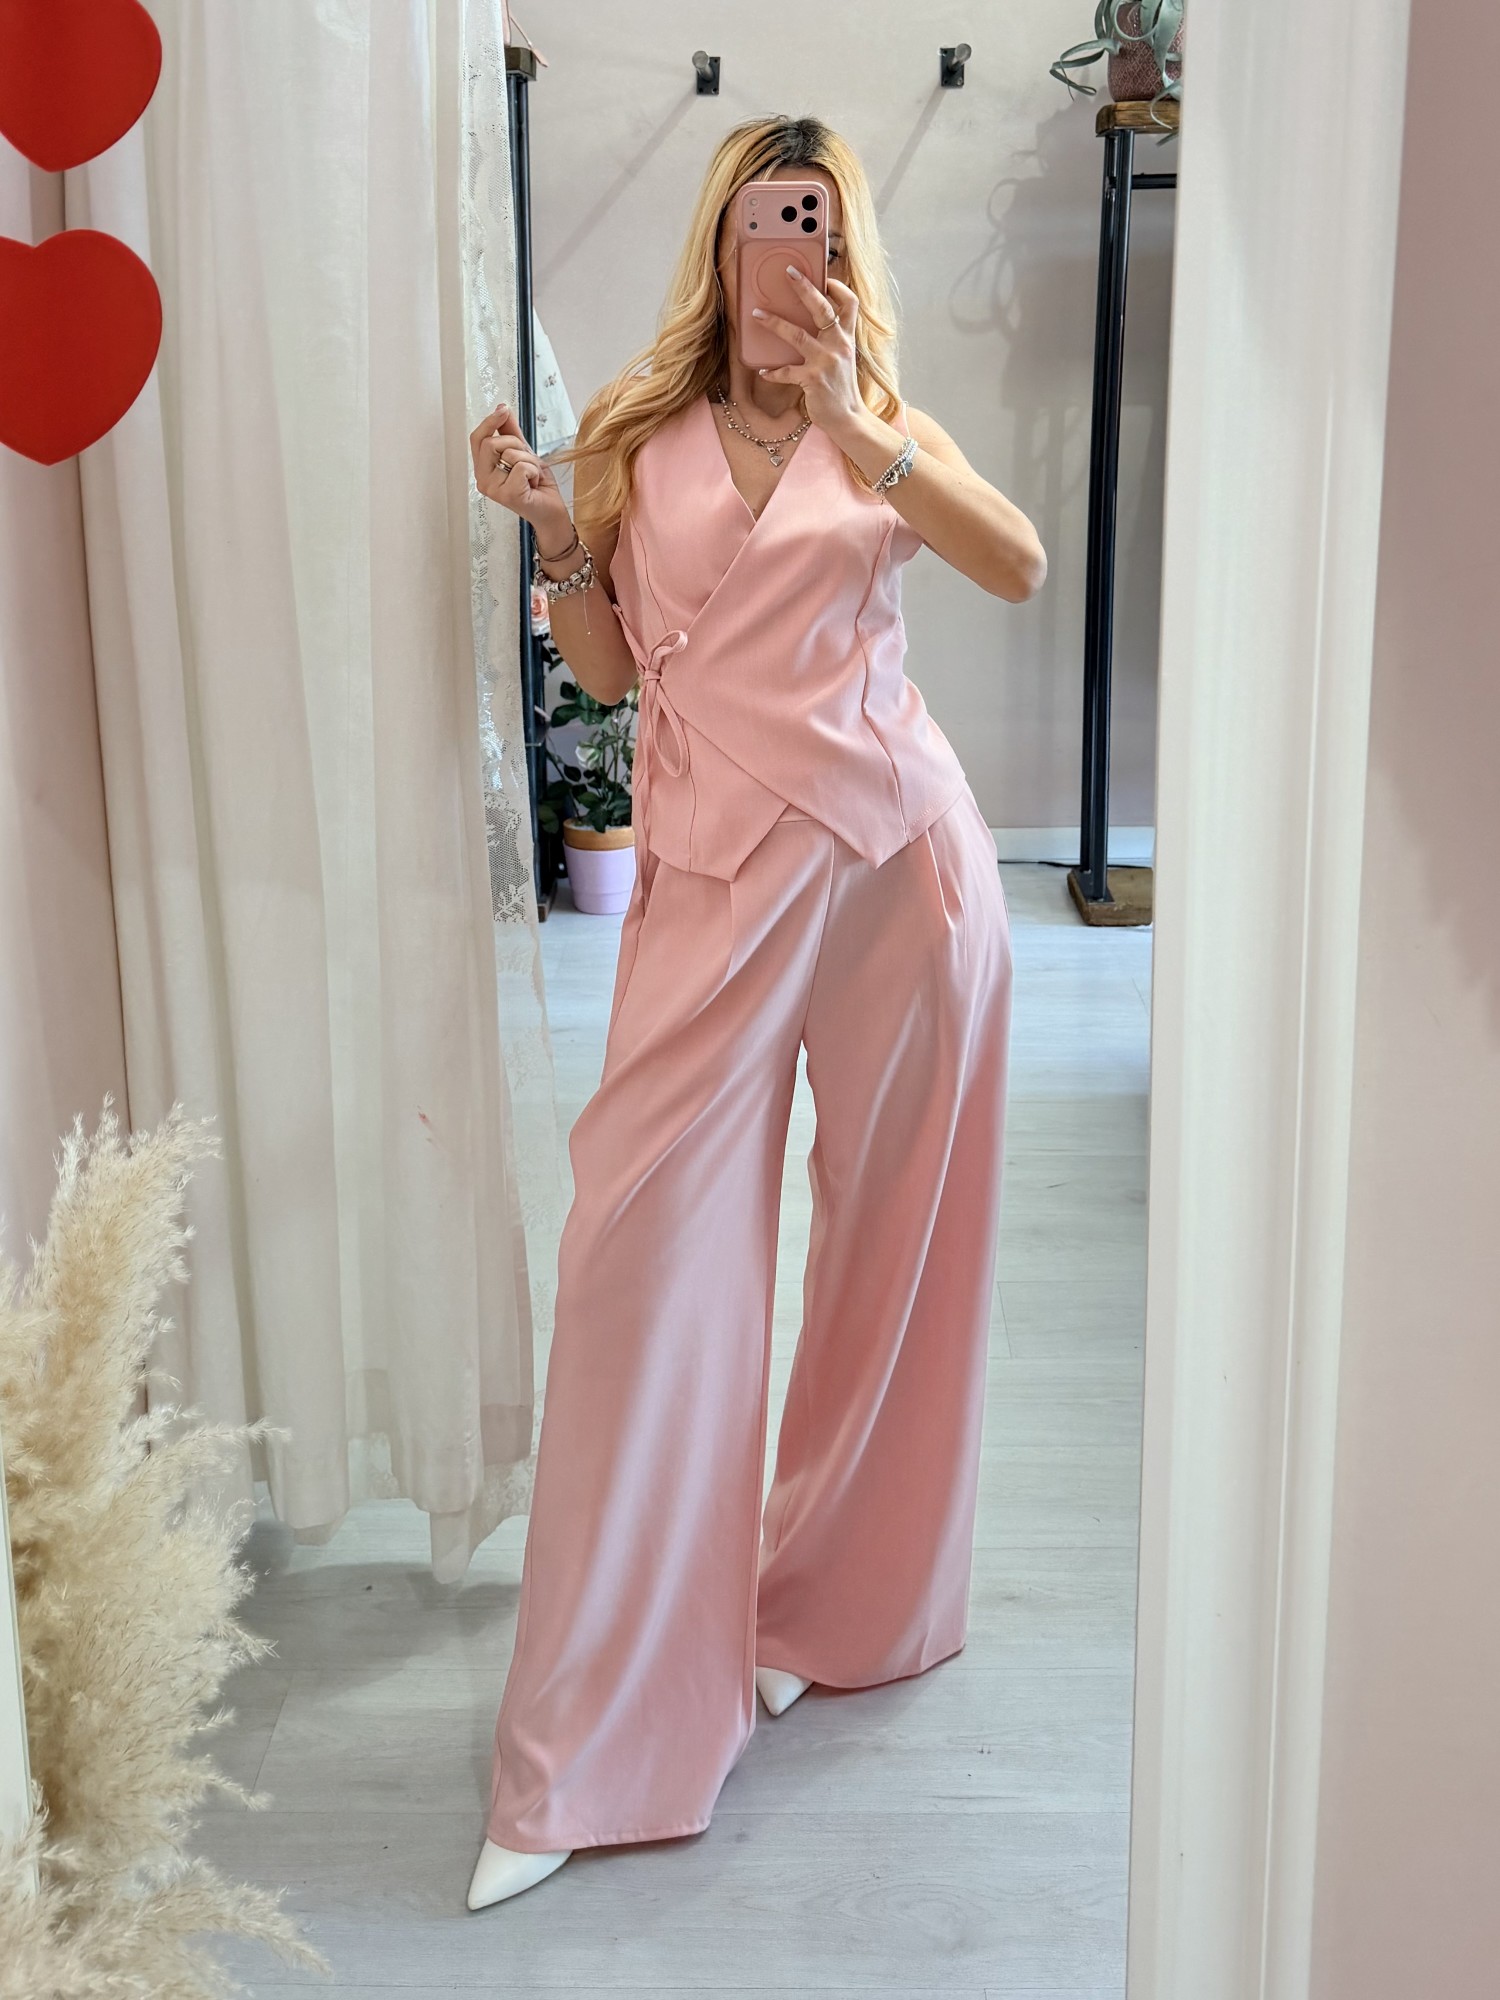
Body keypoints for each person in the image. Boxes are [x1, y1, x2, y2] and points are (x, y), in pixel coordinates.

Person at [465, 114, 1046, 1910]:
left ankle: (835, 1607)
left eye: (821, 225)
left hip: (893, 868)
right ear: (721, 242)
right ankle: (595, 1739)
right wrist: (556, 537)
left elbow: (1017, 562)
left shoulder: (885, 427)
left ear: (845, 250)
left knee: (893, 1246)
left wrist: (871, 435)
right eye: (764, 221)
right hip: (713, 884)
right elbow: (612, 670)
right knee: (641, 1263)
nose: (791, 252)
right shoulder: (636, 433)